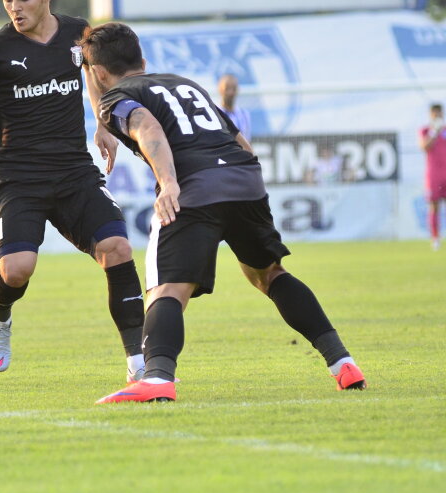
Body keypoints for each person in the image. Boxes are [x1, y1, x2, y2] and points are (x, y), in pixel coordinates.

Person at [79, 21, 366, 403]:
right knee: (268, 274)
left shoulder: (115, 98)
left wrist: (168, 183)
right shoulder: (186, 84)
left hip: (194, 185)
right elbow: (238, 139)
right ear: (142, 60)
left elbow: (147, 127)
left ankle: (158, 378)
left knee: (166, 290)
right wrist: (245, 185)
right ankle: (342, 362)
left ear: (98, 73)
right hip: (244, 177)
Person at [0, 0, 145, 382]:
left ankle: (138, 362)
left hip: (74, 171)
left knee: (117, 248)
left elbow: (97, 81)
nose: (15, 8)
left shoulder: (80, 35)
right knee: (16, 269)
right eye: (7, 0)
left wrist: (102, 123)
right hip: (18, 178)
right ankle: (0, 316)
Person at [419, 103, 446, 250]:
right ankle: (435, 238)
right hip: (433, 175)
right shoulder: (426, 131)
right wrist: (434, 131)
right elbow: (424, 146)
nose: (437, 116)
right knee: (434, 207)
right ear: (430, 115)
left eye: (439, 113)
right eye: (434, 114)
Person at [217, 74, 251, 142]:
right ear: (220, 89)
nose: (230, 92)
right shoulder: (215, 114)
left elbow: (247, 141)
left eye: (234, 89)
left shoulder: (244, 114)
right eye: (227, 88)